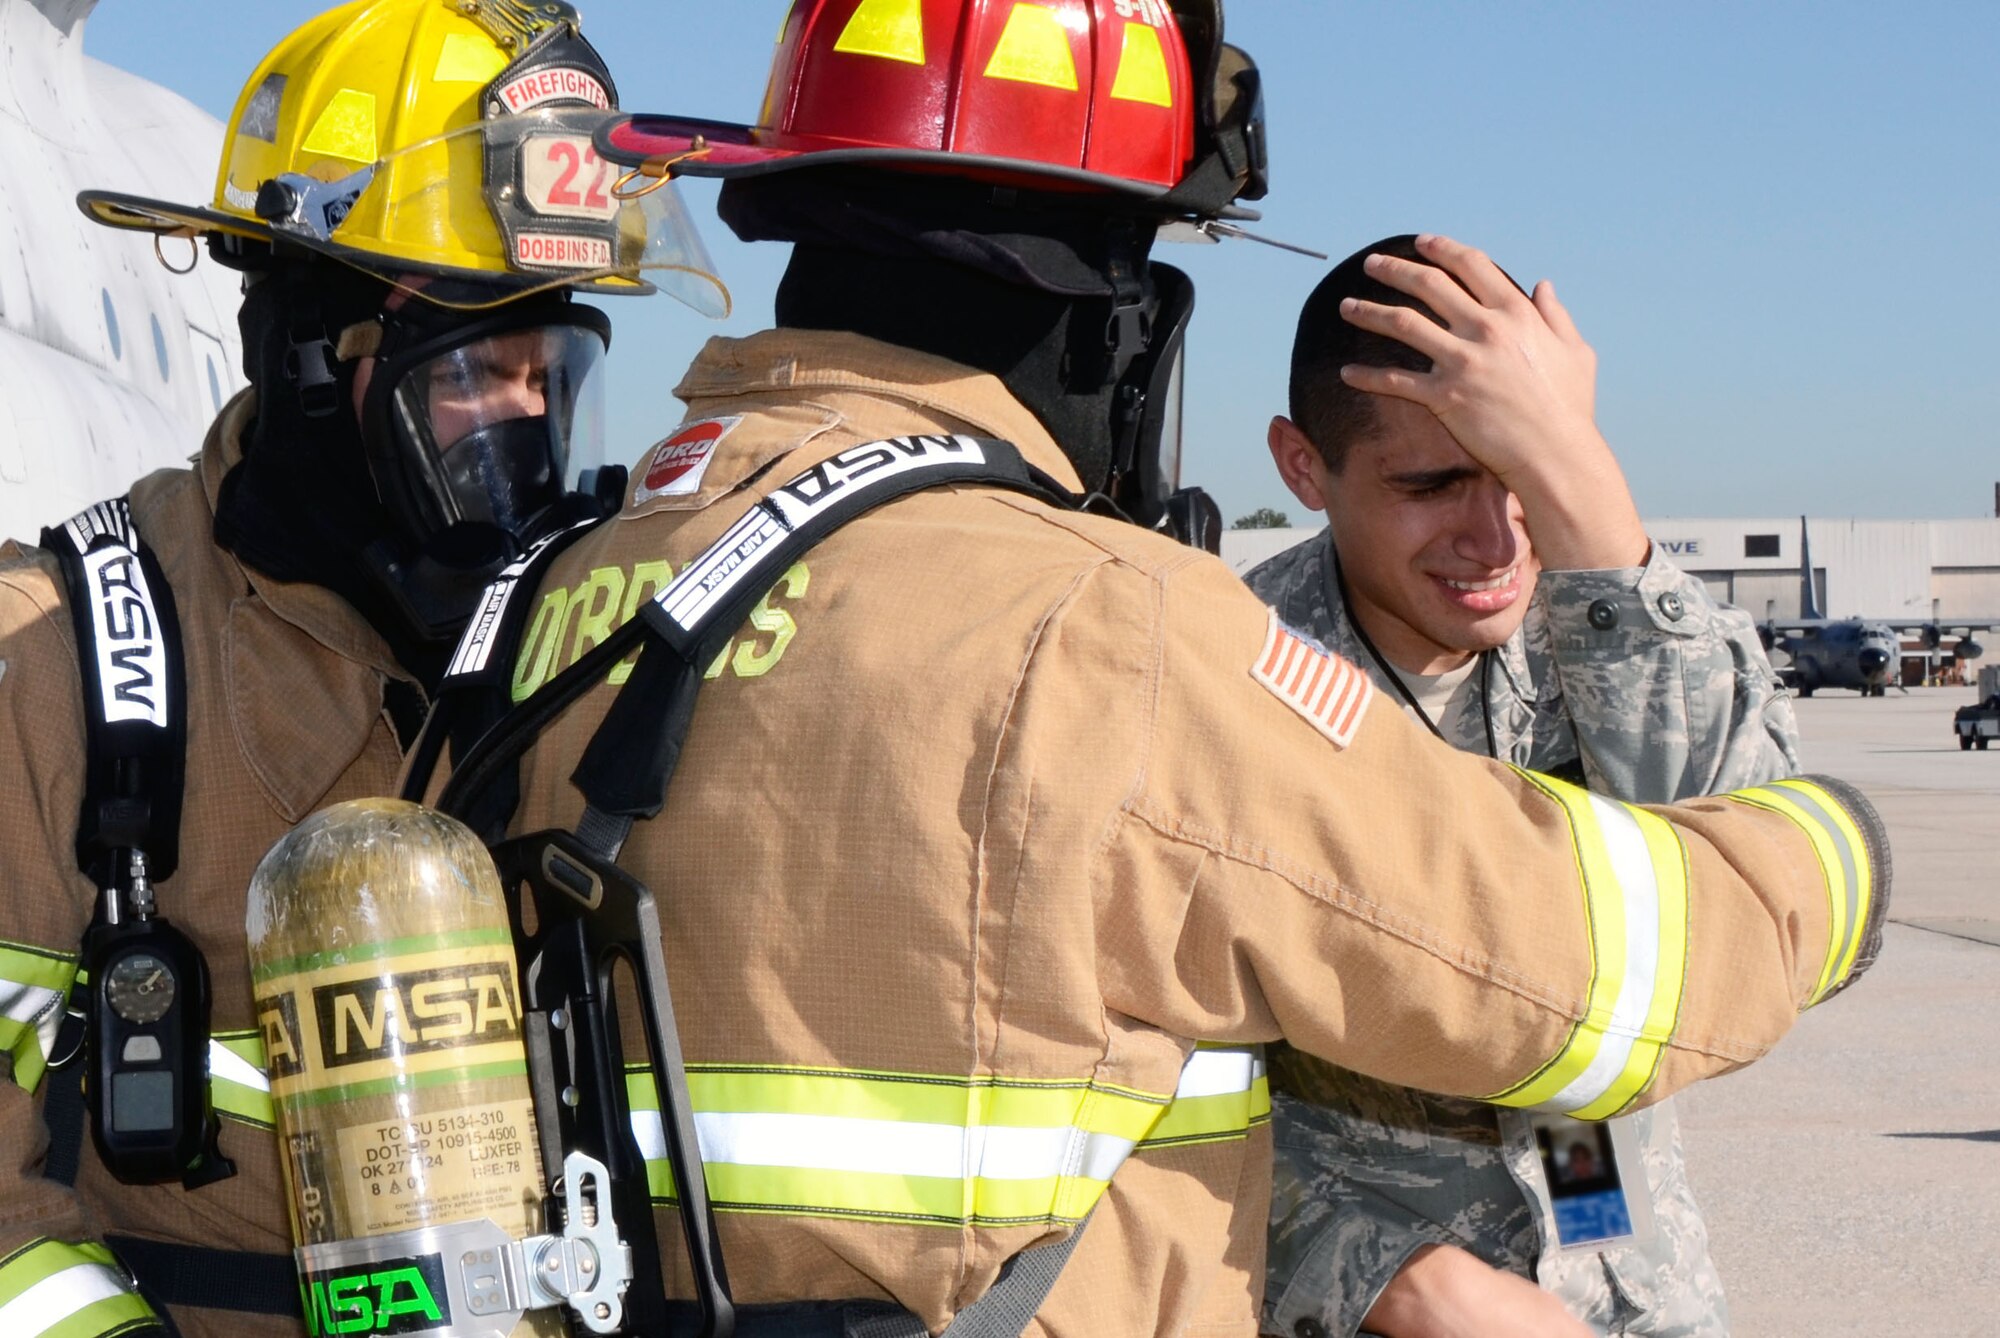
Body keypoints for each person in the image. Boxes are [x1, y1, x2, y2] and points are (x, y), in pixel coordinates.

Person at [426, 4, 1885, 1333]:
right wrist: (1838, 849)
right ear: (1106, 315)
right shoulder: (1118, 630)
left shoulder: (571, 578)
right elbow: (1609, 973)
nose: (1488, 528)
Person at [0, 4, 723, 1336]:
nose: (530, 425)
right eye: (480, 372)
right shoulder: (61, 665)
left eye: (553, 372)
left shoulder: (593, 647)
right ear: (313, 363)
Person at [1249, 235, 1802, 1338]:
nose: (1494, 535)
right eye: (1431, 483)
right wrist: (1399, 1280)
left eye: (1520, 476)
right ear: (1303, 467)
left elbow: (1736, 857)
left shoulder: (1592, 629)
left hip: (1616, 1274)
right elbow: (1129, 1095)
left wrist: (1577, 469)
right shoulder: (1229, 682)